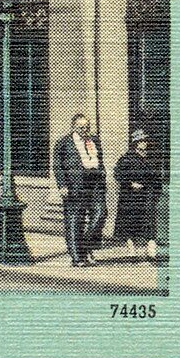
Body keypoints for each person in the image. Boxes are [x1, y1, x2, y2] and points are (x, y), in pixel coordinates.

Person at [52, 112, 108, 266]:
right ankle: (77, 257)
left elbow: (100, 160)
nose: (85, 129)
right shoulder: (63, 143)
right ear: (73, 127)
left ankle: (86, 247)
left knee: (101, 213)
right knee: (74, 220)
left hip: (95, 183)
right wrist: (62, 185)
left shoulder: (94, 140)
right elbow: (57, 166)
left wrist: (103, 175)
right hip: (74, 185)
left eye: (87, 126)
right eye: (81, 127)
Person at [111, 130, 162, 262]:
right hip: (130, 196)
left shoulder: (152, 158)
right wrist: (130, 183)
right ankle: (131, 251)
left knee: (149, 222)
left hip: (147, 196)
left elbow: (157, 178)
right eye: (141, 141)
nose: (144, 143)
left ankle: (151, 251)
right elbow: (117, 174)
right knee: (130, 224)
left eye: (145, 141)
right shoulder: (127, 158)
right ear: (135, 143)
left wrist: (156, 192)